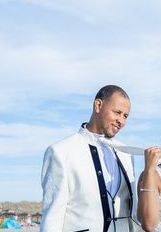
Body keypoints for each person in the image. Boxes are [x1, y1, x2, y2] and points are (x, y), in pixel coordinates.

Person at [40, 85, 138, 232]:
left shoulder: (126, 154)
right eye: (117, 112)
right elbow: (52, 217)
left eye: (125, 116)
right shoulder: (60, 152)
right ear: (98, 105)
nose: (121, 121)